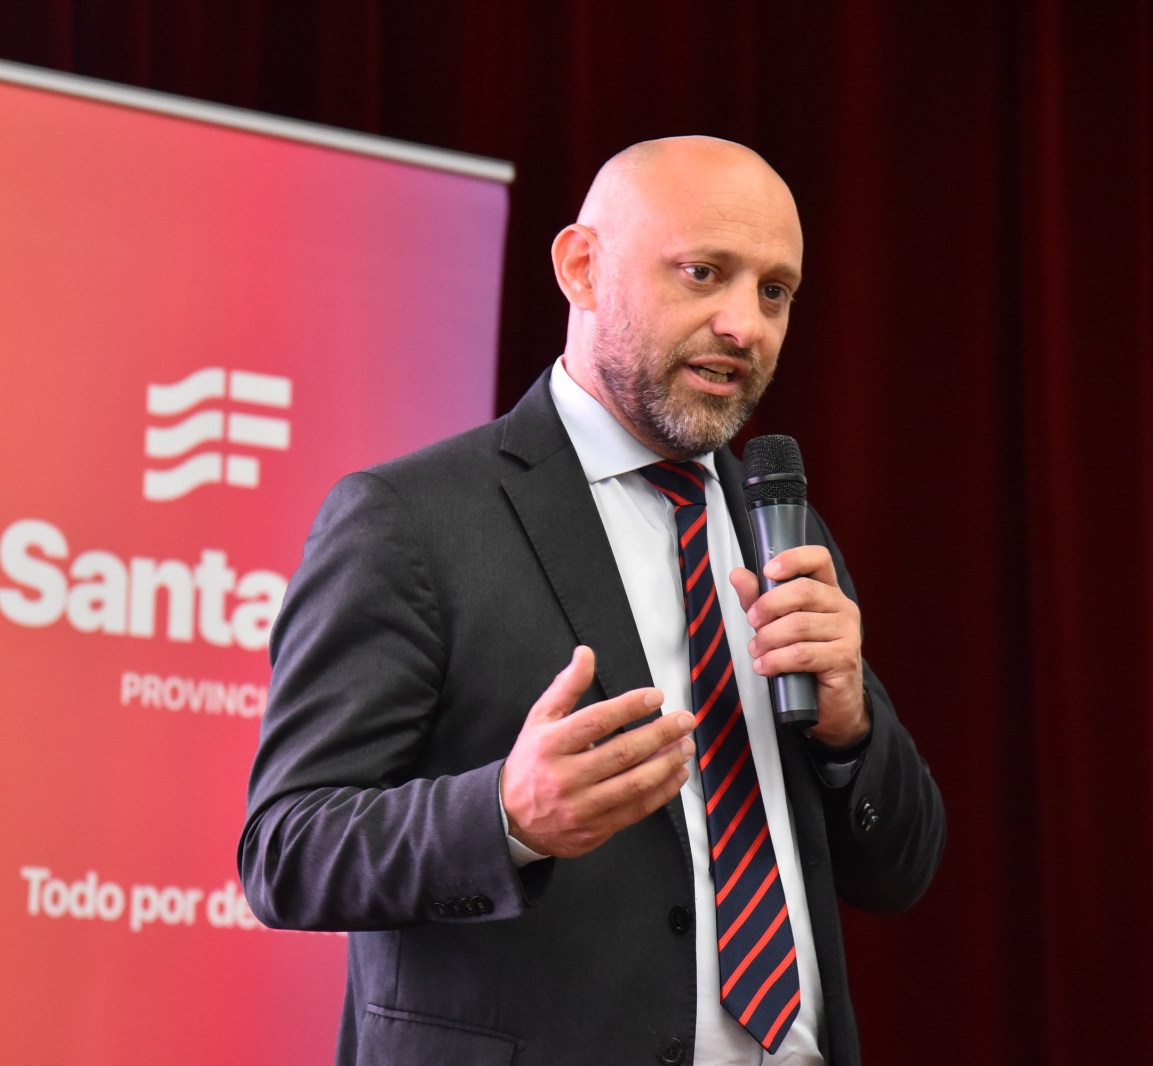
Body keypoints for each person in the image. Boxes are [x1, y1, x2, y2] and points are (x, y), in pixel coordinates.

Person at [238, 136, 945, 1066]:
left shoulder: (783, 532)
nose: (744, 325)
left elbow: (901, 869)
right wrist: (506, 817)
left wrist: (850, 732)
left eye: (775, 292)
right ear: (581, 267)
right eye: (703, 272)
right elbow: (285, 851)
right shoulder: (410, 520)